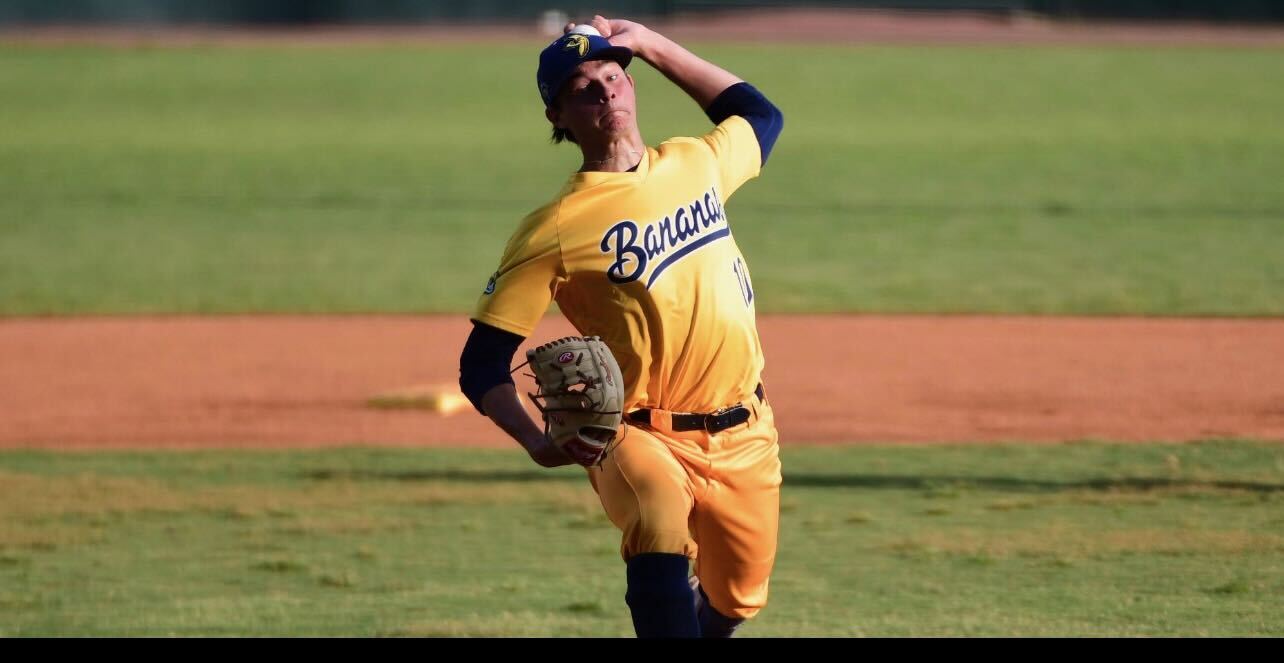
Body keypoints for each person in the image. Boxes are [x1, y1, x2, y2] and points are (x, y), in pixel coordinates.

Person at [458, 14, 784, 638]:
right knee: (658, 521)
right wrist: (535, 441)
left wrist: (655, 46)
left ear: (632, 88)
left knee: (738, 600)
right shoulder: (556, 226)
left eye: (614, 76)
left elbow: (760, 115)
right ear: (557, 117)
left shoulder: (695, 161)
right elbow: (481, 364)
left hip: (746, 427)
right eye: (584, 87)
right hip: (635, 432)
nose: (606, 91)